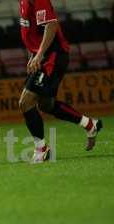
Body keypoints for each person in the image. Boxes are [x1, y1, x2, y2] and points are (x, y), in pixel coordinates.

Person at [18, 0, 103, 163]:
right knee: (46, 105)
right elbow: (34, 31)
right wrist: (33, 55)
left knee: (25, 102)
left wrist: (39, 54)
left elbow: (51, 25)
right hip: (44, 56)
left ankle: (41, 149)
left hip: (52, 56)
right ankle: (89, 124)